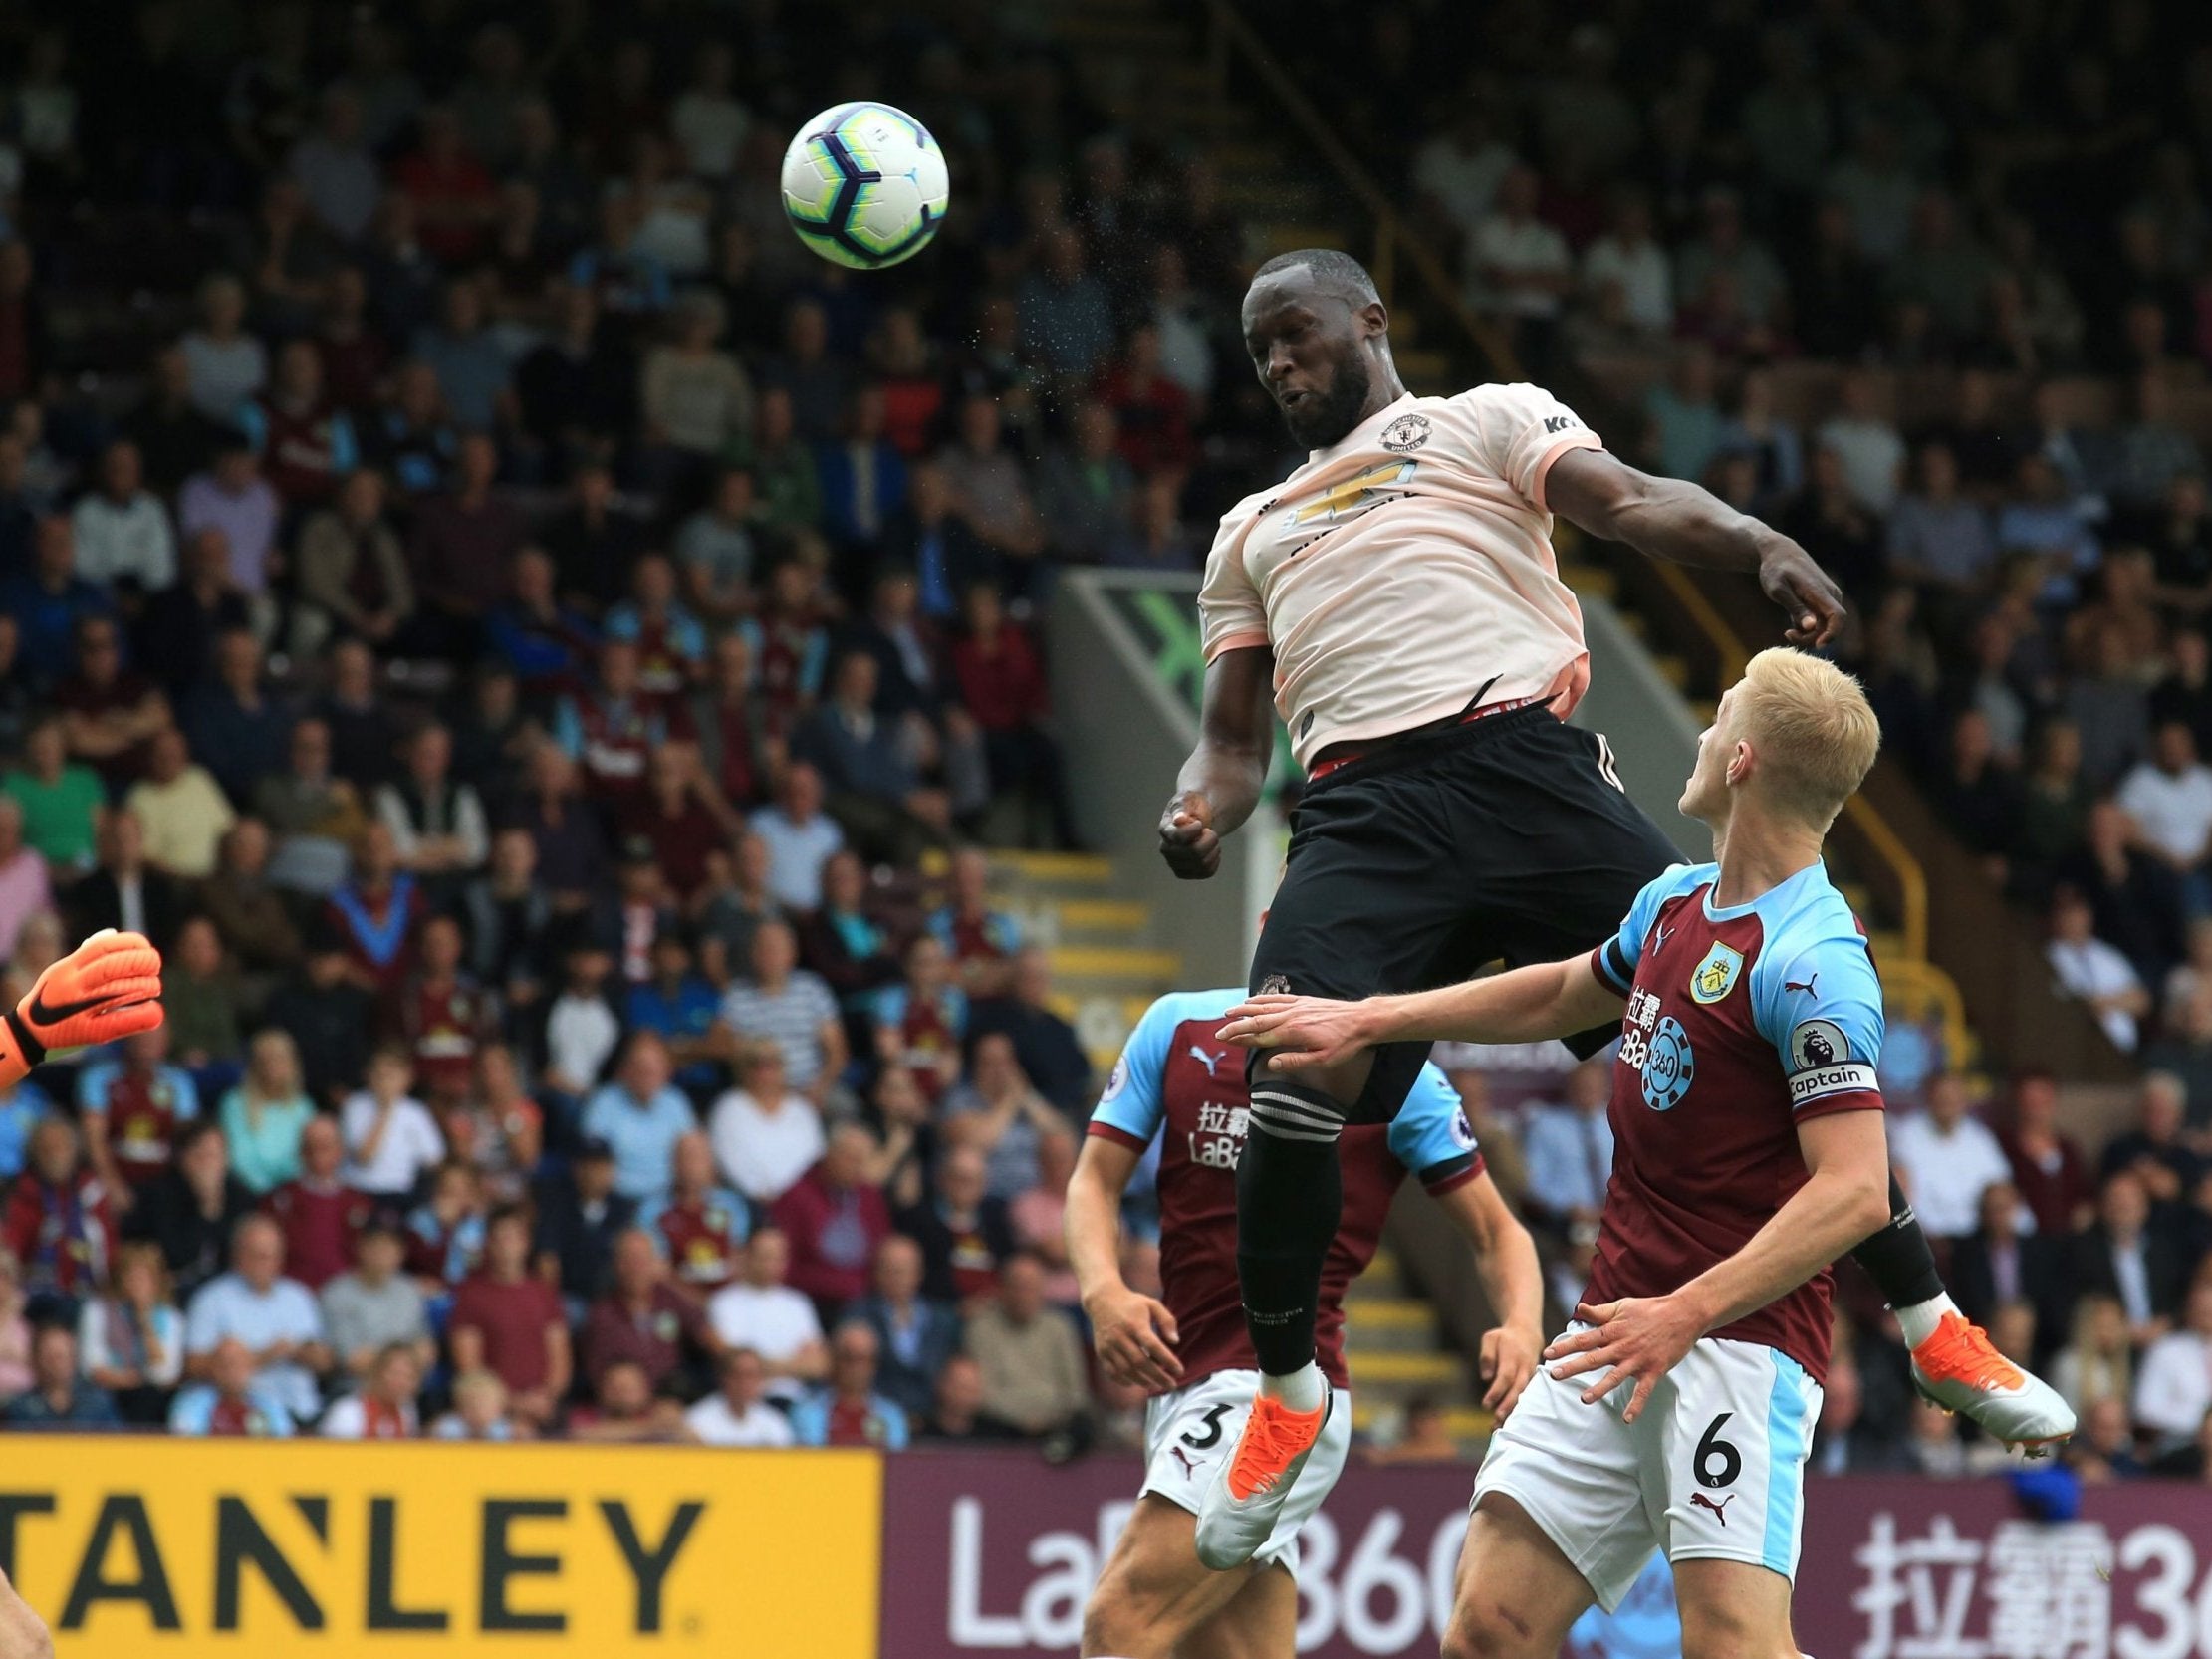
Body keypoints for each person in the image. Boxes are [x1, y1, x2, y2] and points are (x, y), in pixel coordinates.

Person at [1164, 250, 2059, 1530]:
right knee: (1287, 1077)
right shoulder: (1249, 527)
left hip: (1521, 767)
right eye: (1261, 355)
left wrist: (1750, 540)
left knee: (1744, 1005)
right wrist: (1202, 802)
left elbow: (1631, 503)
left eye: (1296, 335)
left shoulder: (1480, 420)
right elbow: (1234, 741)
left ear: (1368, 317)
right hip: (1360, 818)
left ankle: (1930, 1325)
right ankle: (1290, 1393)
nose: (1280, 366)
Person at [1211, 650, 2055, 1647]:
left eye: (1715, 718)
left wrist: (1682, 1315)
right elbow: (1560, 992)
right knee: (1488, 1622)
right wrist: (1368, 1018)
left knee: (1732, 1643)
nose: (1695, 739)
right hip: (1612, 1332)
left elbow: (1857, 1194)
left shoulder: (1814, 959)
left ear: (1739, 760)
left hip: (1732, 1346)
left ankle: (1935, 1333)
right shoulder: (1673, 902)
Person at [1074, 986, 1544, 1659]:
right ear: (1272, 923)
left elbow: (1500, 1232)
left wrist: (1522, 1325)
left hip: (1273, 1396)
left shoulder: (1399, 1075)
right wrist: (1101, 1290)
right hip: (1182, 1383)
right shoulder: (1179, 1025)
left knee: (1120, 1623)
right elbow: (1092, 1180)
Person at [182, 1213, 331, 1425]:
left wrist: (305, 1354)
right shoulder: (212, 1299)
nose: (268, 1263)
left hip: (301, 1411)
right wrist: (262, 1357)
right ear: (239, 1255)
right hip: (242, 1412)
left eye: (274, 1256)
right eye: (259, 1256)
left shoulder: (299, 1297)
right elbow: (193, 1366)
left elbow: (325, 1363)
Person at [450, 1203, 569, 1430]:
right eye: (500, 1237)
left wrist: (545, 1398)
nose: (507, 1245)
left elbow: (560, 1361)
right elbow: (469, 1367)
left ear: (526, 1243)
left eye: (514, 1237)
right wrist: (513, 1404)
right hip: (489, 1412)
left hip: (543, 1408)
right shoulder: (471, 1295)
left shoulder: (543, 1293)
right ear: (489, 1244)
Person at [320, 1220, 432, 1384]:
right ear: (360, 1247)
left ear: (401, 1253)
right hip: (354, 1394)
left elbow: (425, 1351)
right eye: (375, 1245)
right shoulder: (337, 1293)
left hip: (405, 1394)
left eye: (390, 1246)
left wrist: (382, 1359)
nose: (382, 1253)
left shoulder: (409, 1290)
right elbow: (354, 1361)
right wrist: (405, 1360)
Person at [789, 1321, 907, 1449]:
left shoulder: (891, 1417)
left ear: (875, 1364)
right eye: (849, 1358)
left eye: (864, 1359)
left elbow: (897, 1464)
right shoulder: (806, 1412)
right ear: (835, 1359)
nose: (857, 1368)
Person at [4, 1323, 119, 1429]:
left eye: (62, 1356)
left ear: (74, 1358)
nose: (56, 1364)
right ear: (36, 1360)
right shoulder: (21, 1408)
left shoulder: (96, 1404)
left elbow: (119, 1443)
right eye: (50, 1357)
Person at [686, 1346, 796, 1447]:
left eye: (751, 1376)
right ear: (724, 1378)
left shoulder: (773, 1422)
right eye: (738, 1375)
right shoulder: (697, 1421)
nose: (745, 1383)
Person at [319, 1341, 422, 1439]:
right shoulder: (347, 1413)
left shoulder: (407, 1413)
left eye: (409, 1377)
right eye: (395, 1373)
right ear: (377, 1372)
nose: (401, 1383)